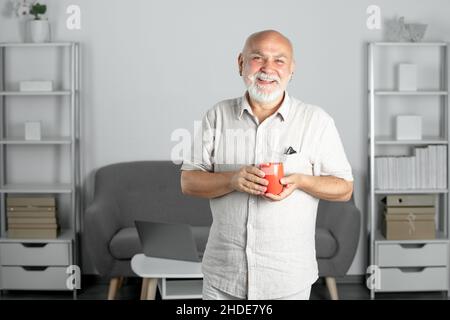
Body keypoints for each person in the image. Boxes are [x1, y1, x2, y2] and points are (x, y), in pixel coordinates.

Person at [180, 30, 354, 300]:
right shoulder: (217, 116)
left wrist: (302, 181)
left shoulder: (316, 121)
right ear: (241, 63)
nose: (268, 69)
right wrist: (231, 180)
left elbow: (344, 189)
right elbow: (188, 182)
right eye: (257, 58)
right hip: (224, 277)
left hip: (287, 279)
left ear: (292, 69)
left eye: (279, 61)